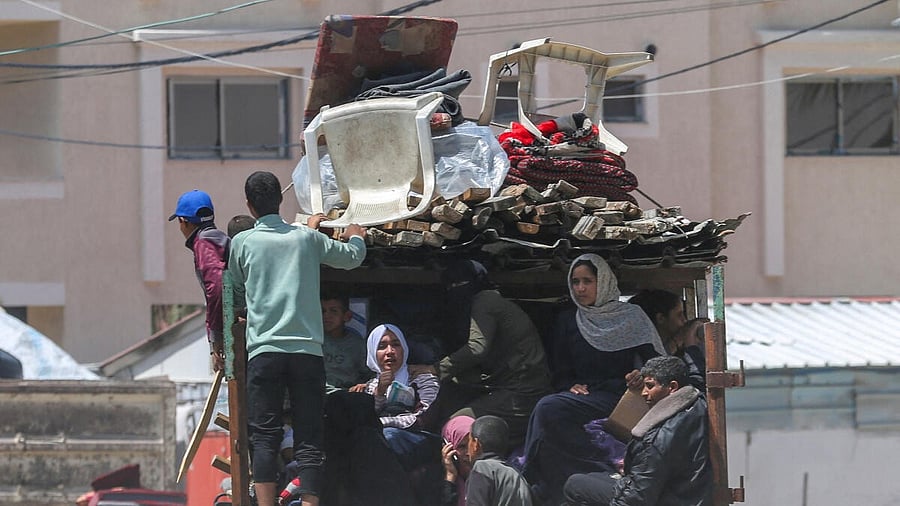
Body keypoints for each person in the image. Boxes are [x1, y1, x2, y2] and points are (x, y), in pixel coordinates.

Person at [228, 170, 367, 506]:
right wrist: (356, 235)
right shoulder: (306, 239)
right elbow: (353, 258)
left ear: (250, 205)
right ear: (281, 200)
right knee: (309, 436)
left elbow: (234, 288)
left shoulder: (242, 243)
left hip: (264, 353)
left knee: (265, 437)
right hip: (307, 354)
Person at [521, 253, 666, 504]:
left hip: (622, 398)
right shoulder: (569, 320)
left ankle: (533, 471)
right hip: (585, 397)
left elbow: (658, 364)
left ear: (604, 282)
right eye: (575, 282)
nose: (580, 288)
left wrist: (641, 376)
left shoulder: (632, 316)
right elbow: (560, 369)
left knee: (548, 406)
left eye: (587, 281)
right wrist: (569, 385)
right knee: (550, 406)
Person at [428, 259, 552, 449]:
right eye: (451, 285)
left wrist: (435, 369)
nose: (456, 289)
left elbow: (477, 348)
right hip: (512, 388)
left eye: (460, 283)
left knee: (456, 426)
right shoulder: (486, 303)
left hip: (523, 393)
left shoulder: (485, 301)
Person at [562, 356, 712, 506]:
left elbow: (636, 499)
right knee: (594, 477)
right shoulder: (696, 401)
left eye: (650, 386)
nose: (644, 393)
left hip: (669, 498)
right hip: (685, 493)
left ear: (672, 387)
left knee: (575, 485)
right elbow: (697, 376)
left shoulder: (659, 438)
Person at [354, 323, 440, 471]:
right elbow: (365, 420)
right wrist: (379, 393)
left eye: (395, 345)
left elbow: (423, 418)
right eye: (382, 346)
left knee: (388, 437)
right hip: (382, 437)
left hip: (418, 437)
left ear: (404, 349)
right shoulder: (370, 386)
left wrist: (382, 423)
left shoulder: (422, 379)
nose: (390, 351)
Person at [168, 189, 229, 372]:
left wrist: (216, 337)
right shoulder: (221, 239)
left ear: (183, 221)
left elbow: (217, 288)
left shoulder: (203, 243)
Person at [443, 415, 535, 506]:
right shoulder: (517, 475)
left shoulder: (482, 469)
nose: (467, 452)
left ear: (476, 445)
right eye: (462, 446)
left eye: (469, 443)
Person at [628, 289, 707, 389]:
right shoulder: (639, 353)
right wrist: (689, 344)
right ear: (661, 318)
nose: (684, 320)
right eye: (679, 315)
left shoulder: (675, 345)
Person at [320, 292, 371, 392]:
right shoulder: (314, 340)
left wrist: (364, 385)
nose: (326, 316)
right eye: (323, 311)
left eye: (333, 311)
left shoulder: (357, 344)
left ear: (347, 316)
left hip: (347, 394)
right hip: (318, 394)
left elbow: (369, 373)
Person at [440, 415, 476, 506]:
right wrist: (450, 477)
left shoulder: (492, 477)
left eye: (473, 445)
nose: (469, 453)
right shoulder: (434, 482)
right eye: (462, 446)